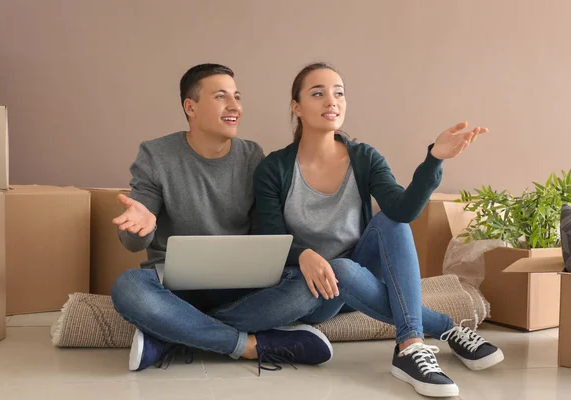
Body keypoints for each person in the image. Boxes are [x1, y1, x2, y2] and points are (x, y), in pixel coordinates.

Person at [253, 62, 504, 398]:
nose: (332, 101)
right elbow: (270, 238)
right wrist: (304, 255)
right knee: (340, 267)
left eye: (339, 93)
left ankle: (410, 346)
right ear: (296, 107)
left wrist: (434, 159)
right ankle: (447, 328)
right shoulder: (274, 168)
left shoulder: (364, 157)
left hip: (361, 271)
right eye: (318, 93)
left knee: (390, 220)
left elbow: (404, 210)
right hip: (311, 288)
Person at [110, 63, 333, 374]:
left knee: (307, 288)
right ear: (191, 107)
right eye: (220, 97)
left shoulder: (253, 156)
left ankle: (172, 335)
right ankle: (249, 345)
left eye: (237, 96)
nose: (235, 107)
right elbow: (132, 241)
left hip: (239, 287)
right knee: (128, 287)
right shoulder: (156, 155)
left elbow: (263, 234)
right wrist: (142, 224)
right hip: (175, 289)